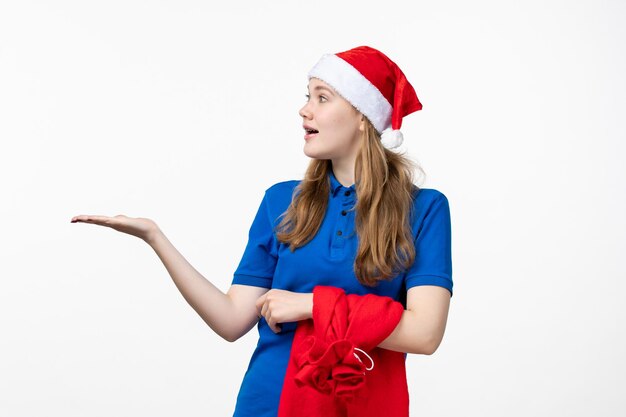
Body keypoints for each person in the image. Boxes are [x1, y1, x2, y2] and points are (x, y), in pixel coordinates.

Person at [71, 45, 453, 417]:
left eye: (323, 98)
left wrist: (311, 306)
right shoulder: (281, 202)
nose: (304, 110)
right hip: (268, 403)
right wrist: (155, 237)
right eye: (308, 96)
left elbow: (424, 333)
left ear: (362, 116)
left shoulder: (424, 209)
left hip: (363, 407)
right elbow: (231, 319)